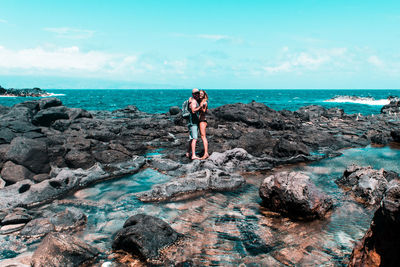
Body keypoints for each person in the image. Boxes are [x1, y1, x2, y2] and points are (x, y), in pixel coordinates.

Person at [186, 88, 202, 160]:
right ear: (193, 94)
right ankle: (193, 155)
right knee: (194, 138)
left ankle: (188, 152)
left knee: (191, 138)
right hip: (193, 123)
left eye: (198, 93)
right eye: (196, 93)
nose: (197, 94)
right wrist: (200, 107)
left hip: (191, 122)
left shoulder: (192, 100)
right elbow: (193, 110)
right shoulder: (193, 101)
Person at [199, 90, 209, 159]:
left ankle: (206, 153)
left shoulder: (204, 102)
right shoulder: (200, 101)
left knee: (203, 137)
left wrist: (201, 107)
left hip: (202, 121)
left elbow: (204, 111)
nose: (200, 95)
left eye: (202, 94)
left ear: (204, 95)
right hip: (200, 121)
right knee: (202, 136)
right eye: (199, 94)